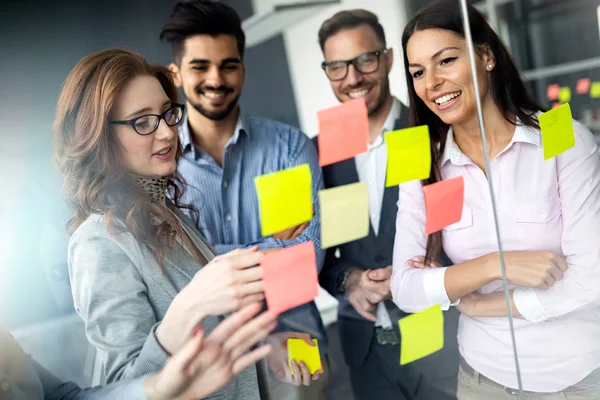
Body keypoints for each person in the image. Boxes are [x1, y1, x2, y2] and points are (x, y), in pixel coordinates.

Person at [392, 0, 600, 398]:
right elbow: (405, 288)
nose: (431, 82)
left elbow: (591, 277)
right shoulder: (419, 159)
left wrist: (479, 304)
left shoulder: (560, 133)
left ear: (486, 55)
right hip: (484, 377)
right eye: (418, 72)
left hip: (579, 375)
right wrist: (493, 266)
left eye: (446, 60)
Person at [54, 48, 280, 399]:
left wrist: (268, 344)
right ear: (100, 136)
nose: (167, 134)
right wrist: (188, 307)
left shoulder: (168, 211)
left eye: (166, 114)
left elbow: (212, 334)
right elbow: (124, 386)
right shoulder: (98, 243)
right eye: (142, 122)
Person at [159, 1, 327, 399]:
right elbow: (166, 270)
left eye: (228, 65)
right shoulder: (161, 164)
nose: (216, 79)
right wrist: (274, 248)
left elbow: (306, 260)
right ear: (176, 75)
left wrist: (208, 259)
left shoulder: (288, 148)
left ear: (243, 71)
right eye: (200, 66)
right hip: (207, 354)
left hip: (295, 337)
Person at [315, 9, 458, 400]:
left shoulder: (433, 130)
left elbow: (469, 226)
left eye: (365, 59)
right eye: (337, 67)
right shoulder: (318, 153)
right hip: (364, 352)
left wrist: (423, 275)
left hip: (439, 340)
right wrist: (349, 280)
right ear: (327, 72)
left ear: (389, 58)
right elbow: (310, 251)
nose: (353, 78)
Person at [0, 303, 275, 399]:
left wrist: (155, 390)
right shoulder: (96, 240)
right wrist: (185, 309)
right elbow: (123, 369)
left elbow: (61, 398)